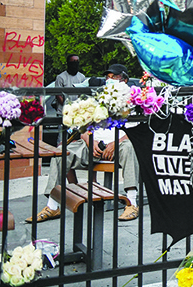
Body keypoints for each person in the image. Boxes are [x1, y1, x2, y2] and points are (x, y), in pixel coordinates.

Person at [27, 64, 141, 223]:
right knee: (61, 153)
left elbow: (137, 132)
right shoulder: (97, 97)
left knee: (129, 148)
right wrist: (89, 139)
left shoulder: (133, 102)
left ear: (125, 80)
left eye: (114, 77)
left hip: (119, 145)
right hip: (93, 144)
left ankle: (132, 203)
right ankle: (53, 206)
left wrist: (116, 142)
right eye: (108, 77)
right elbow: (81, 126)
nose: (110, 80)